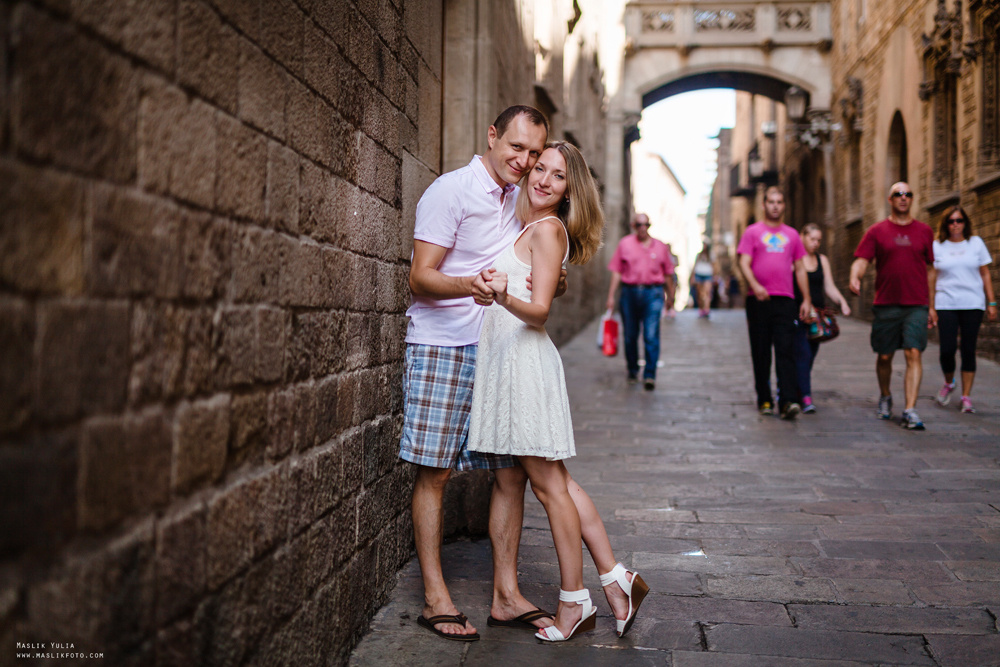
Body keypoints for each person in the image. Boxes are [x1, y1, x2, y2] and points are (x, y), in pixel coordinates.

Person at [468, 141, 649, 642]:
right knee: (555, 481)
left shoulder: (548, 230)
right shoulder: (529, 227)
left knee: (549, 486)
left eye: (558, 176)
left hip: (525, 364)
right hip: (510, 362)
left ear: (570, 190)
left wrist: (501, 294)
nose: (543, 180)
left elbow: (540, 311)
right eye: (540, 169)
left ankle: (575, 601)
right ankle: (616, 580)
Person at [400, 105, 556, 641]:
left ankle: (506, 597)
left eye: (534, 152)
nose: (525, 161)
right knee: (435, 472)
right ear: (492, 136)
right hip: (443, 345)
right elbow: (420, 277)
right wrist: (470, 286)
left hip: (498, 348)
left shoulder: (520, 199)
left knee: (512, 472)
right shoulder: (451, 191)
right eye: (516, 147)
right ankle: (435, 599)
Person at [849, 182, 935, 430]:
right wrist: (855, 276)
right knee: (884, 356)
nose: (903, 198)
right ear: (890, 199)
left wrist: (931, 305)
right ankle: (885, 395)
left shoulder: (924, 231)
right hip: (886, 303)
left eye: (908, 194)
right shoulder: (877, 231)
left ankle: (910, 410)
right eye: (898, 194)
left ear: (912, 199)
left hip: (916, 303)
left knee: (913, 352)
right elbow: (861, 260)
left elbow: (931, 270)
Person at [737, 187, 813, 419]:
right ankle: (765, 399)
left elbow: (800, 268)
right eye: (771, 202)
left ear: (784, 206)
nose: (775, 206)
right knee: (760, 351)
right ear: (764, 205)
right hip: (758, 300)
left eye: (779, 202)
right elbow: (744, 263)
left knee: (785, 350)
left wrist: (806, 298)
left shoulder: (792, 235)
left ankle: (787, 400)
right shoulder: (752, 232)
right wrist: (755, 285)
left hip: (785, 300)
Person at [930, 206, 997, 413]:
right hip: (946, 303)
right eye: (951, 221)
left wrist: (992, 302)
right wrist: (930, 306)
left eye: (959, 220)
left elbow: (985, 273)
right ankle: (949, 382)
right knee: (947, 350)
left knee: (969, 350)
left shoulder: (975, 243)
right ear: (945, 224)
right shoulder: (937, 246)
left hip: (972, 303)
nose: (955, 225)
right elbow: (931, 276)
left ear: (965, 223)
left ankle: (966, 397)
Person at [606, 213, 676, 390]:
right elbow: (617, 271)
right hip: (629, 293)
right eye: (639, 225)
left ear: (649, 226)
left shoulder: (660, 247)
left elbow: (668, 274)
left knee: (650, 335)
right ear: (633, 226)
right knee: (630, 335)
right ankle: (632, 370)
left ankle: (650, 374)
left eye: (646, 225)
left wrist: (671, 297)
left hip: (653, 293)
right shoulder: (625, 244)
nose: (642, 228)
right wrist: (611, 296)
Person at [793, 224, 852, 414]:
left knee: (809, 356)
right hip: (798, 314)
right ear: (802, 237)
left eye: (819, 240)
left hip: (817, 317)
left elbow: (829, 286)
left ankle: (795, 389)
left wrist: (842, 302)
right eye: (812, 239)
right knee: (803, 354)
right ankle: (806, 397)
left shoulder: (822, 260)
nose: (816, 243)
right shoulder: (794, 259)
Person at [693, 242, 714, 318]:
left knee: (707, 292)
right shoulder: (699, 255)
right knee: (699, 293)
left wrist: (715, 276)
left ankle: (707, 309)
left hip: (708, 275)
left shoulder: (711, 255)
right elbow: (695, 265)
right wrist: (692, 276)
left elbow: (714, 265)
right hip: (699, 274)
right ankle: (701, 308)